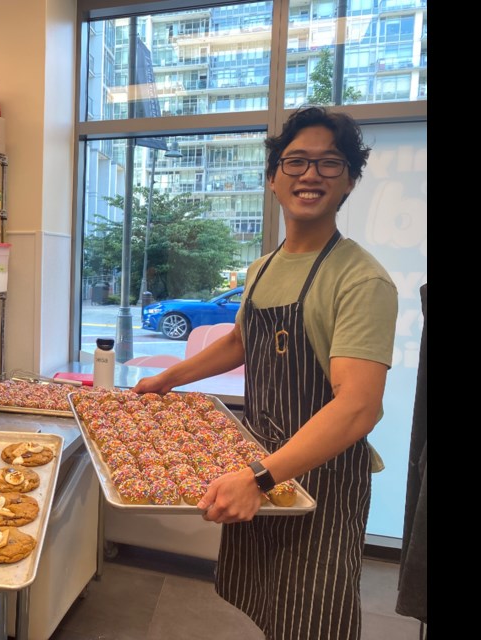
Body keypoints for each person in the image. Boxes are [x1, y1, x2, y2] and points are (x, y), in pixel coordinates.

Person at [133, 106, 397, 640]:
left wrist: (259, 478)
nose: (310, 174)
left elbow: (358, 406)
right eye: (296, 161)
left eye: (330, 163)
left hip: (318, 481)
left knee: (316, 613)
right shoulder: (263, 266)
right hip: (260, 461)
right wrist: (169, 379)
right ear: (274, 178)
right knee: (271, 605)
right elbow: (239, 341)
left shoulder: (361, 279)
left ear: (349, 181)